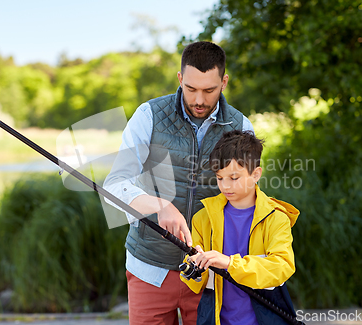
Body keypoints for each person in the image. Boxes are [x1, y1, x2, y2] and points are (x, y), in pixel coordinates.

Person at [103, 41, 254, 324]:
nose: (199, 100)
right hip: (150, 269)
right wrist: (159, 205)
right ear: (180, 79)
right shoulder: (148, 116)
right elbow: (115, 184)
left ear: (224, 82)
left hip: (211, 276)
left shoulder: (242, 127)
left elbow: (246, 203)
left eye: (209, 90)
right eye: (191, 88)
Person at [180, 130, 299, 325]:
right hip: (216, 319)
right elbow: (194, 283)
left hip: (265, 318)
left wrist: (229, 263)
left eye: (234, 178)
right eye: (219, 178)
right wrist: (194, 267)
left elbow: (281, 267)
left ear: (256, 174)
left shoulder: (276, 218)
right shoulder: (202, 218)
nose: (225, 186)